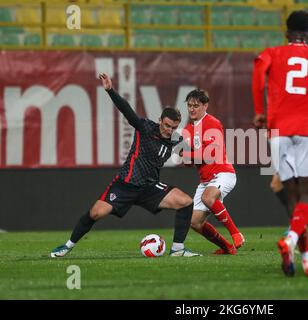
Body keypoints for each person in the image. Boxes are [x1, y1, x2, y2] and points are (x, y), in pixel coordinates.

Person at [50, 73, 201, 258]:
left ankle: (177, 249)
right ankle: (67, 246)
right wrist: (110, 91)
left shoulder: (176, 140)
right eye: (167, 125)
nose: (169, 130)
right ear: (161, 120)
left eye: (174, 127)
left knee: (186, 202)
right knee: (96, 213)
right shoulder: (145, 127)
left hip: (149, 187)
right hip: (125, 185)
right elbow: (126, 109)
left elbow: (193, 156)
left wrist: (201, 159)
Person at [252, 10, 308, 276]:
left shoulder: (272, 53)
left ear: (286, 33)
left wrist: (260, 110)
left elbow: (258, 75)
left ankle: (306, 258)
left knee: (292, 199)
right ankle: (290, 241)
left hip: (278, 132)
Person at [180, 89, 245, 255]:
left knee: (208, 197)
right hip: (205, 180)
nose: (192, 109)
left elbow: (209, 155)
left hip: (223, 173)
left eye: (196, 105)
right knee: (194, 222)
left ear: (205, 105)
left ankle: (236, 234)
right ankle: (227, 247)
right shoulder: (187, 129)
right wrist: (184, 156)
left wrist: (187, 154)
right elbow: (189, 163)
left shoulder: (212, 123)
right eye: (189, 106)